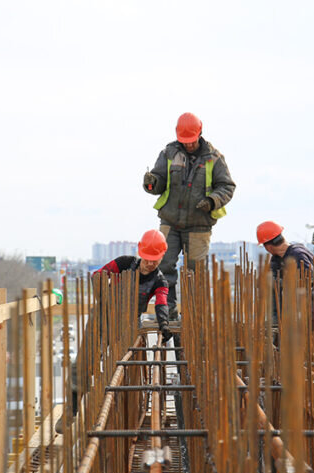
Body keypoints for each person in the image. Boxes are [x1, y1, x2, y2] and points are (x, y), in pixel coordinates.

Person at [56, 230, 171, 434]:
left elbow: (162, 302)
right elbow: (98, 275)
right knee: (83, 365)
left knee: (118, 370)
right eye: (147, 259)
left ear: (161, 257)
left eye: (155, 260)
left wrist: (164, 323)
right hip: (102, 317)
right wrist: (105, 297)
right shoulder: (124, 262)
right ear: (141, 253)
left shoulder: (160, 281)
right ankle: (70, 411)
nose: (150, 264)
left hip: (126, 327)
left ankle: (109, 417)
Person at [143, 112, 236, 319]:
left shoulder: (214, 158)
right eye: (185, 141)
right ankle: (169, 311)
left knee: (195, 273)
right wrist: (151, 183)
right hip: (170, 221)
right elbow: (158, 181)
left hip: (199, 225)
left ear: (199, 134)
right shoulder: (169, 153)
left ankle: (195, 315)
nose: (188, 145)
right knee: (164, 265)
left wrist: (212, 201)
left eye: (191, 141)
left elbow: (227, 186)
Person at [256, 221, 314, 324]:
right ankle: (276, 320)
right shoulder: (276, 258)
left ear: (268, 247)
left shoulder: (298, 254)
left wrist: (281, 283)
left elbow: (310, 281)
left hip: (313, 301)